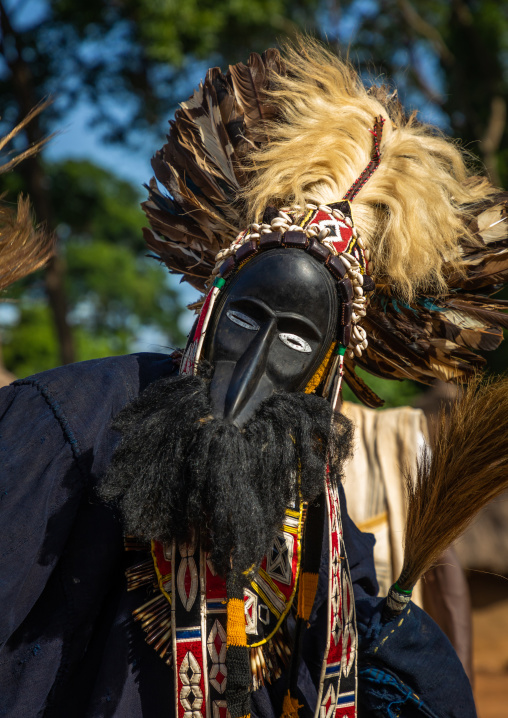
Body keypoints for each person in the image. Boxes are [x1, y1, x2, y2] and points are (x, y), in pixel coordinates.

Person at [2, 38, 508, 718]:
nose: (245, 384)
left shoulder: (316, 506)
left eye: (296, 338)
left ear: (327, 368)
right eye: (246, 318)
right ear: (210, 308)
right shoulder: (60, 427)